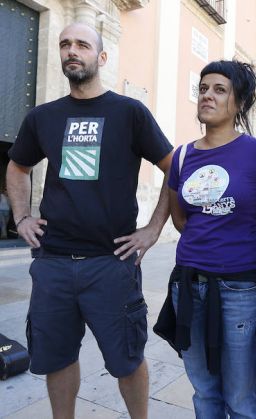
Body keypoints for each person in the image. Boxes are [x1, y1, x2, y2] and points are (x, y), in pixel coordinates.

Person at [6, 23, 172, 419]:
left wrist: (152, 230)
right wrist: (23, 217)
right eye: (64, 44)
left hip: (111, 263)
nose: (71, 51)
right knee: (58, 358)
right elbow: (17, 167)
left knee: (127, 360)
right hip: (53, 263)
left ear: (102, 57)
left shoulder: (129, 112)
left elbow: (174, 168)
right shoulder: (42, 117)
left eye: (82, 44)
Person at [159, 60, 256, 419]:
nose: (207, 95)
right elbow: (180, 219)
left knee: (239, 396)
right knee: (204, 392)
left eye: (219, 89)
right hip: (190, 286)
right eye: (203, 88)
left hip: (241, 288)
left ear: (239, 103)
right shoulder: (183, 155)